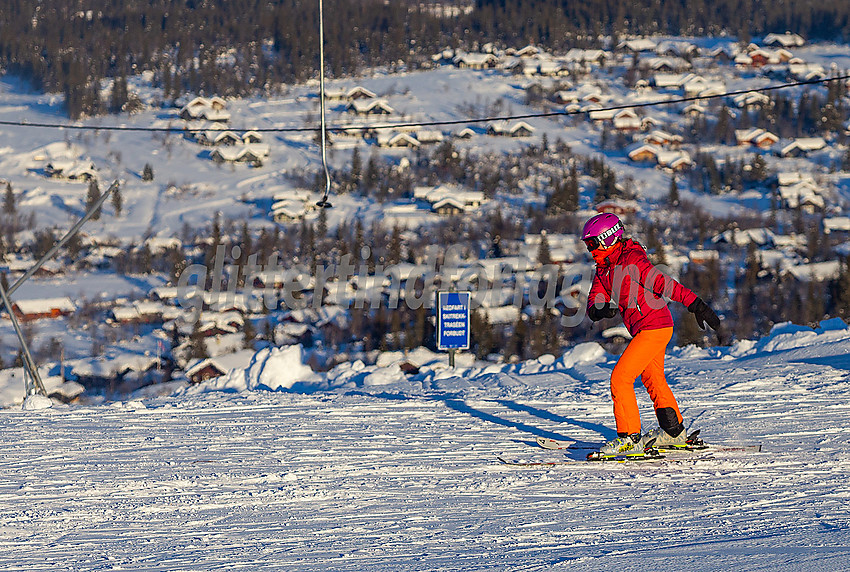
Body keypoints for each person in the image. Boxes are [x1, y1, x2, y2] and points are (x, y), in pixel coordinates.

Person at [582, 213, 720, 457]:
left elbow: (665, 285)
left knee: (620, 378)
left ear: (606, 239)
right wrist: (599, 308)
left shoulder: (632, 261)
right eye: (587, 245)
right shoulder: (604, 269)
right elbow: (594, 300)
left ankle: (629, 438)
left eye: (592, 243)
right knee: (652, 378)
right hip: (646, 329)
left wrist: (697, 305)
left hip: (654, 326)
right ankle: (673, 432)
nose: (589, 249)